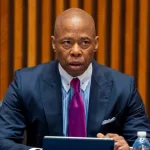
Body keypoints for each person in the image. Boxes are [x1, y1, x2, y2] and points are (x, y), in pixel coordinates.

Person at [0, 8, 150, 150]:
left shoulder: (123, 87)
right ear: (54, 43)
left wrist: (128, 147)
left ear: (96, 44)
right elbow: (3, 140)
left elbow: (144, 141)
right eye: (67, 43)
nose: (76, 51)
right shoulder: (26, 84)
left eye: (85, 42)